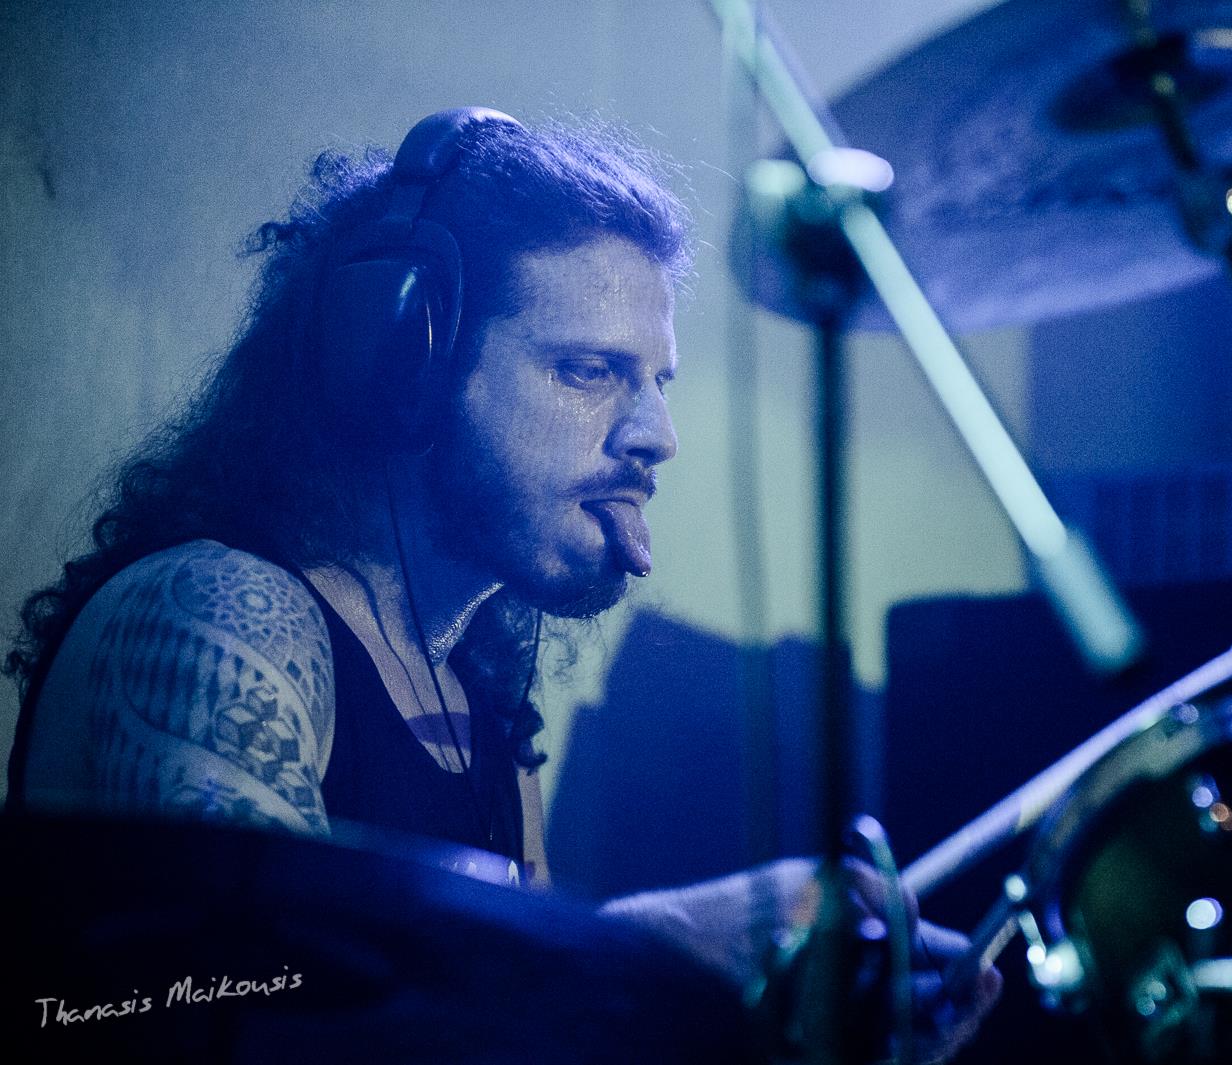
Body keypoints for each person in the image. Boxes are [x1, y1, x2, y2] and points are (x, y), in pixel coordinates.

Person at [3, 108, 997, 1059]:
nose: (657, 435)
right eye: (589, 371)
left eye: (657, 381)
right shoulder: (223, 617)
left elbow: (488, 1035)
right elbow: (256, 1025)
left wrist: (756, 1026)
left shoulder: (477, 708)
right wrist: (663, 956)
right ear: (408, 368)